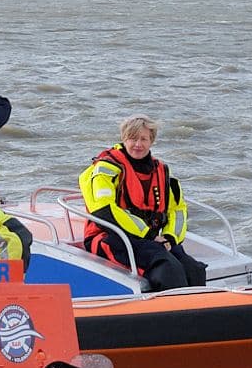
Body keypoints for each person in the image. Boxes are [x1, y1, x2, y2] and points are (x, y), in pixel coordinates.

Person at [80, 115, 207, 292]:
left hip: (152, 239)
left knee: (194, 269)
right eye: (132, 138)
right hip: (110, 236)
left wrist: (170, 238)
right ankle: (171, 315)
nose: (137, 144)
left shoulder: (160, 171)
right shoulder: (106, 168)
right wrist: (148, 235)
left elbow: (177, 210)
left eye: (143, 139)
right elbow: (105, 210)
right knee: (167, 269)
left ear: (151, 141)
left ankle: (197, 314)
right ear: (124, 139)